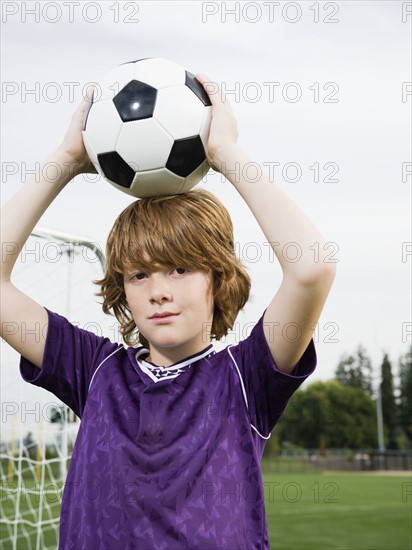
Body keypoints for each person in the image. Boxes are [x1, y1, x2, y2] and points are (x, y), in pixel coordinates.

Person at [0, 74, 336, 549]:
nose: (158, 291)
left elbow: (312, 268)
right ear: (124, 290)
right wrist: (66, 160)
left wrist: (227, 154)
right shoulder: (93, 371)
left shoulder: (246, 377)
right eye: (139, 275)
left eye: (179, 269)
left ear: (218, 280)